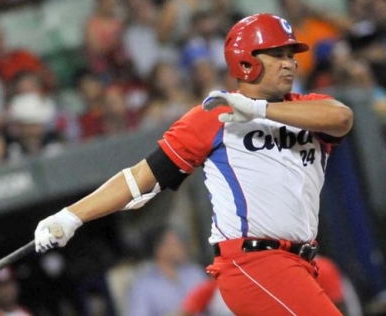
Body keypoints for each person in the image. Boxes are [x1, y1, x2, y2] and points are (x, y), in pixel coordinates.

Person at [33, 13, 354, 316]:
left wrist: (257, 110)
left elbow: (342, 118)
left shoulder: (308, 109)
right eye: (277, 54)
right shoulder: (214, 115)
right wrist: (71, 216)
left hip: (302, 261)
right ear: (246, 60)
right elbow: (141, 177)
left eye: (290, 55)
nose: (289, 64)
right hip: (256, 261)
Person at [124, 224, 206, 316]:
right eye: (175, 243)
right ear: (159, 249)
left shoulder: (194, 272)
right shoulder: (143, 286)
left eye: (180, 242)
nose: (181, 246)